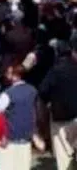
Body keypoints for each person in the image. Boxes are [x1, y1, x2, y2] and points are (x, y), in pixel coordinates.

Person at [39, 34, 77, 170]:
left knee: (62, 153)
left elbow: (43, 90)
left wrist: (49, 102)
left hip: (60, 117)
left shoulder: (55, 71)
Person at [0, 65, 37, 170]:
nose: (7, 75)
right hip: (27, 137)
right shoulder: (33, 90)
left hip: (10, 137)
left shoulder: (8, 94)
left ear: (16, 76)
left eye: (9, 73)